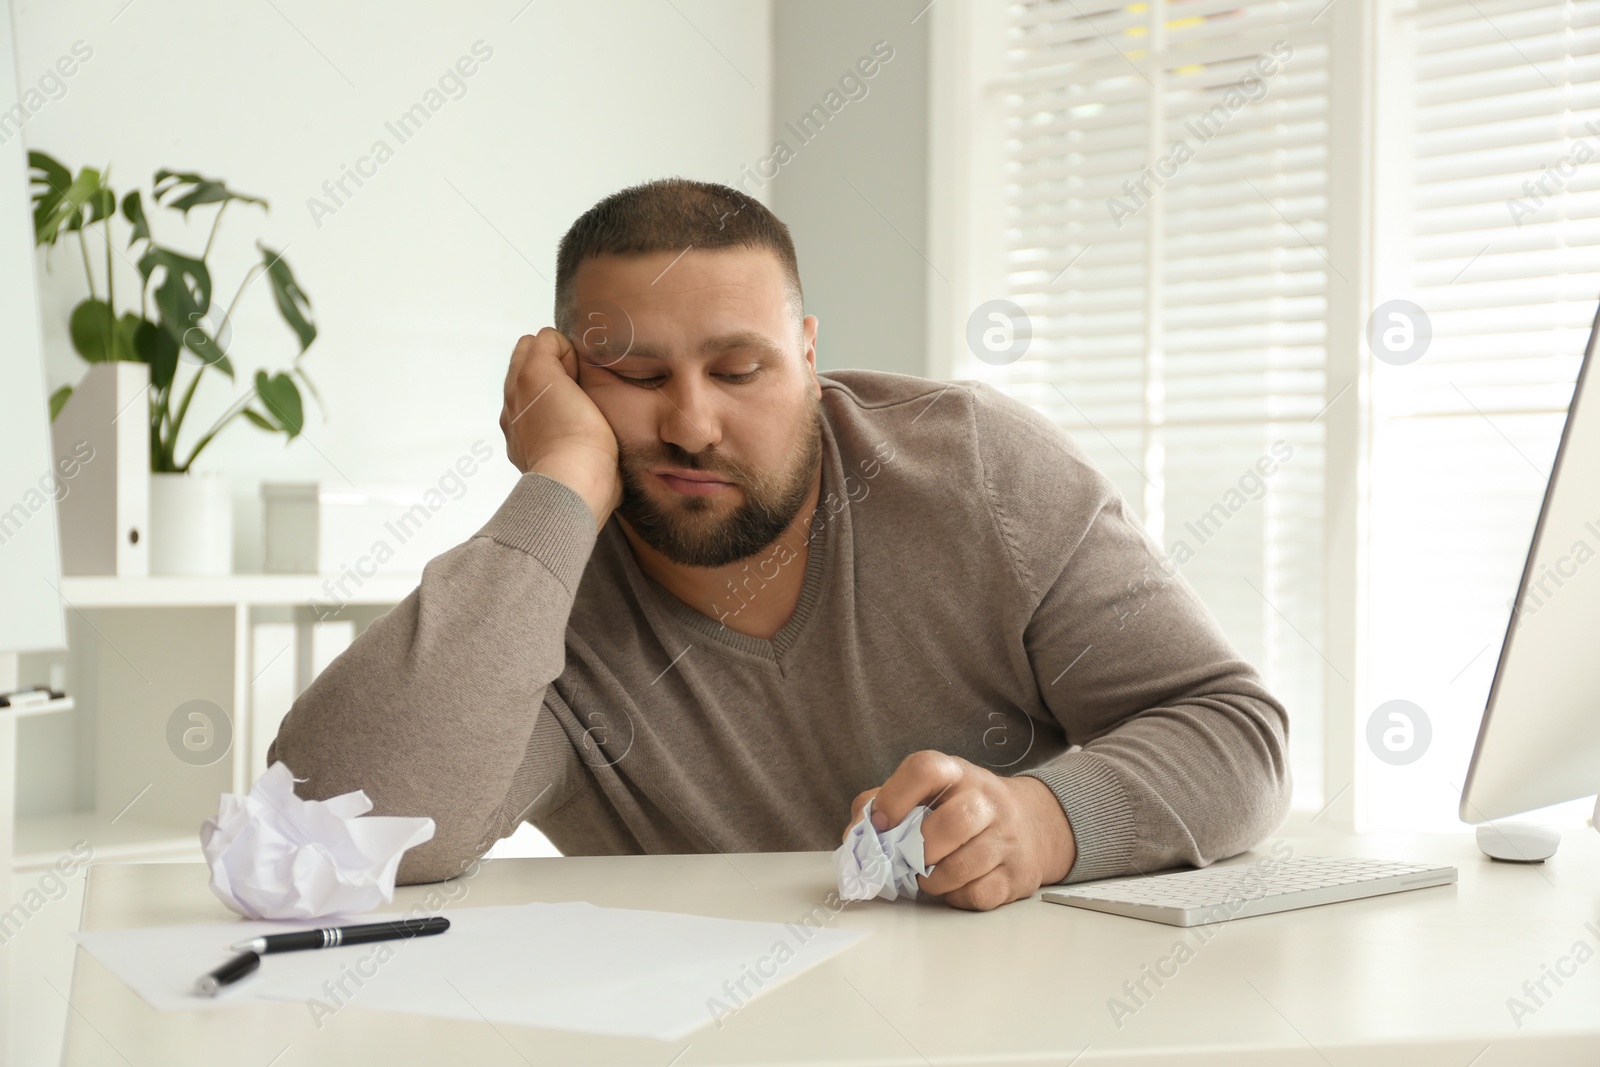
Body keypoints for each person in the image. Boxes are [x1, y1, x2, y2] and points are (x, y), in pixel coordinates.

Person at [269, 177, 1290, 911]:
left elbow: (1234, 728)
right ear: (565, 380)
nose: (691, 424)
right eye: (633, 373)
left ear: (808, 355)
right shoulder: (534, 605)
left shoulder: (982, 475)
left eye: (738, 368)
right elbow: (330, 824)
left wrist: (1040, 822)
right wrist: (559, 485)